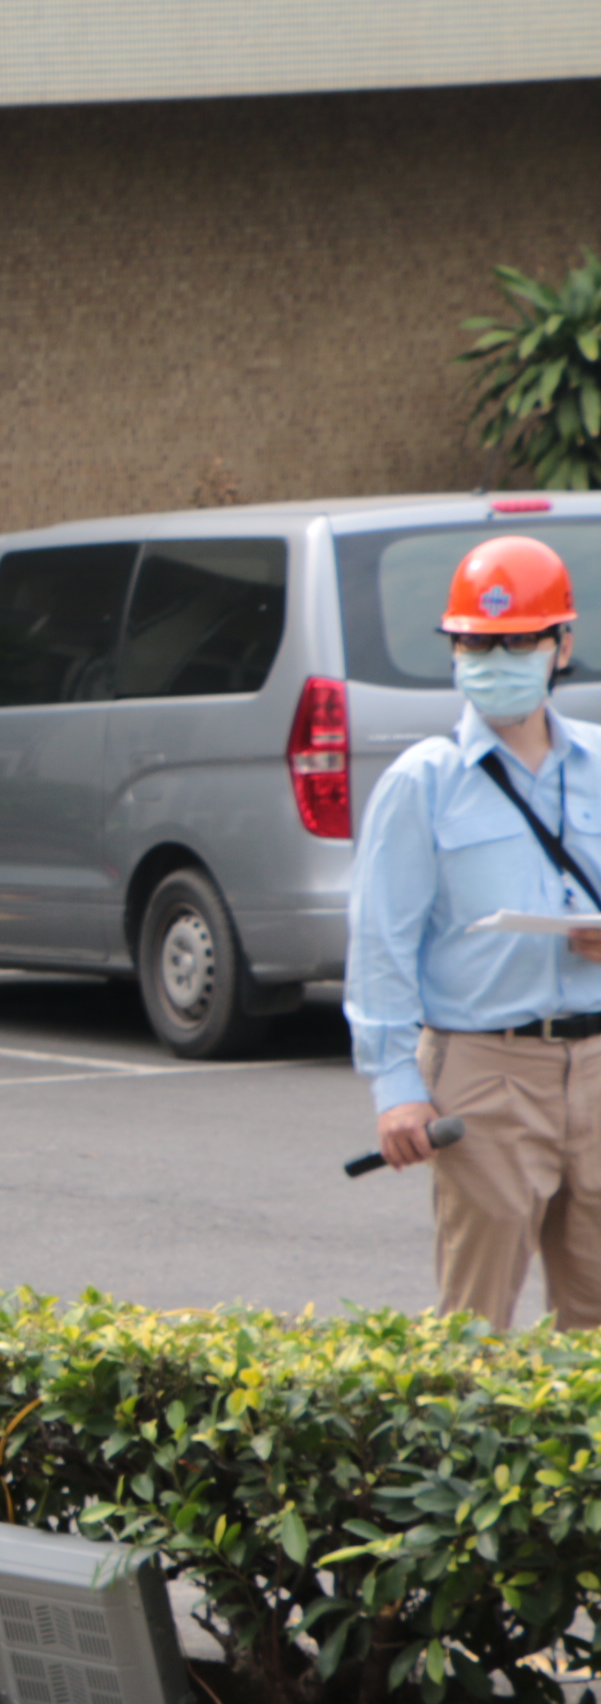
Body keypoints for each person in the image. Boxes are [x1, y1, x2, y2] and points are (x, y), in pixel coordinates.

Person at [346, 533, 601, 1328]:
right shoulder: (424, 782)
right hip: (484, 1069)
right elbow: (381, 942)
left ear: (562, 644)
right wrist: (397, 1089)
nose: (494, 658)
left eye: (515, 641)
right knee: (475, 1329)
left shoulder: (600, 762)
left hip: (597, 1062)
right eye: (475, 642)